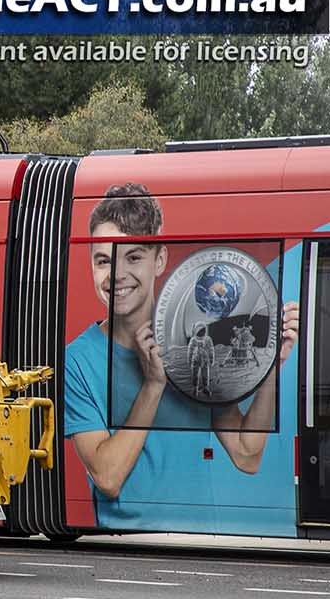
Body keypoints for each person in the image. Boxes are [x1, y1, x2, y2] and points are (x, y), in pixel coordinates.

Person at [63, 182, 300, 528]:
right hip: (123, 552)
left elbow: (247, 455)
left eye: (133, 256)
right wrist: (154, 384)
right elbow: (108, 478)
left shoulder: (195, 337)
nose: (116, 275)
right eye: (102, 260)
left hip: (199, 541)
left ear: (159, 260)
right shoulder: (77, 360)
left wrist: (271, 367)